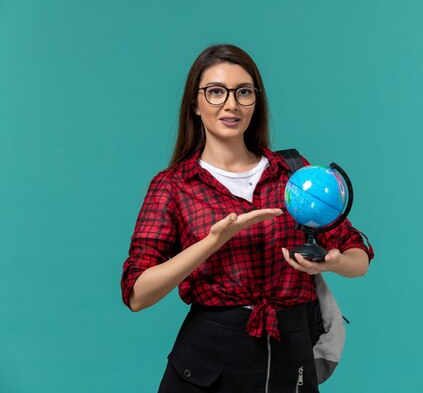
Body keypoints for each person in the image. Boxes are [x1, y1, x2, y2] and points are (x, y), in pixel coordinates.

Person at [121, 44, 374, 393]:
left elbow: (357, 256)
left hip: (292, 357)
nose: (231, 104)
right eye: (215, 92)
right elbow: (137, 294)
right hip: (209, 361)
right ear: (195, 104)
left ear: (256, 101)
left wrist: (331, 264)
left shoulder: (295, 174)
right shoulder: (173, 186)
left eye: (243, 92)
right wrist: (212, 242)